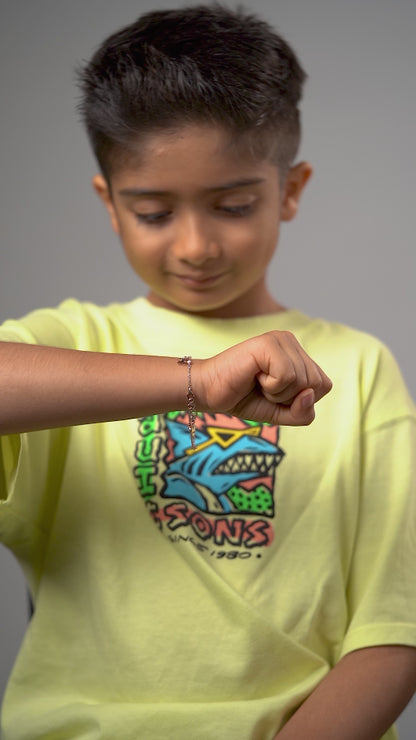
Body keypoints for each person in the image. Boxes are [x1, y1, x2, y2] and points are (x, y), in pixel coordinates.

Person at [0, 4, 415, 738]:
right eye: (155, 212)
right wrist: (193, 380)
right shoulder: (75, 342)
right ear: (110, 205)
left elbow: (395, 628)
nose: (195, 245)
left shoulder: (359, 366)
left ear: (290, 189)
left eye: (232, 205)